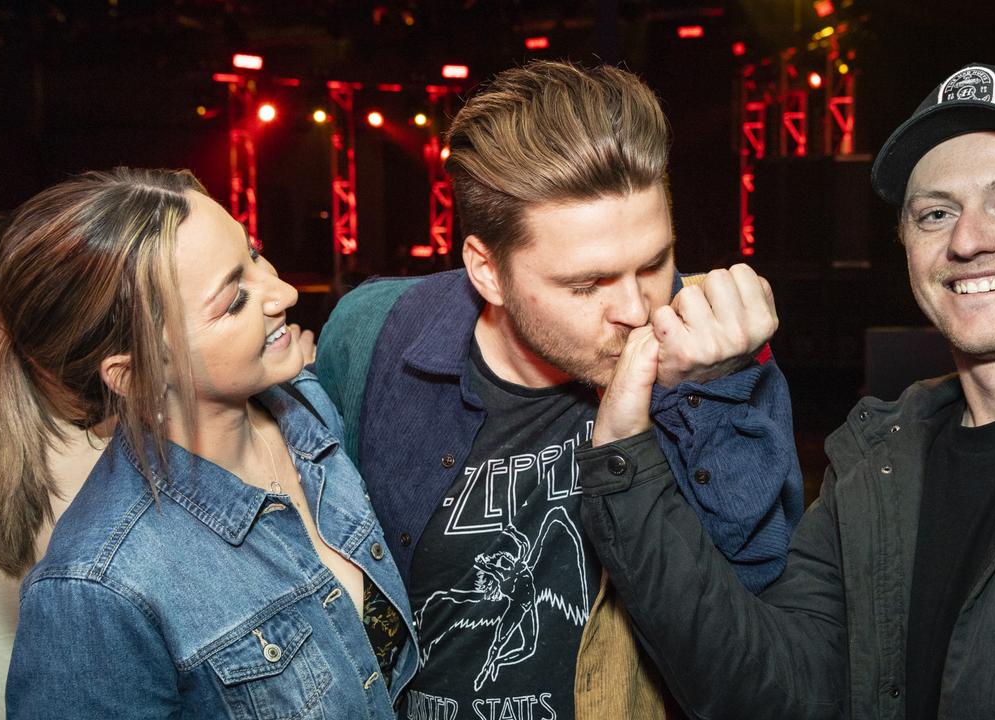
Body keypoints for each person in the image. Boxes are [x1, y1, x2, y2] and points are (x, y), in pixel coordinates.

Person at [578, 63, 995, 719]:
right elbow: (769, 693)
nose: (968, 241)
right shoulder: (876, 463)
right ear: (904, 239)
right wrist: (625, 462)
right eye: (935, 213)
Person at [315, 59, 802, 718]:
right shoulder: (372, 334)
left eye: (656, 263)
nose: (636, 307)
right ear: (487, 270)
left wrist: (701, 395)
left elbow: (756, 635)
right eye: (586, 284)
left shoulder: (714, 347)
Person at [0, 168, 418, 717]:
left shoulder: (307, 408)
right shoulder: (93, 589)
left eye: (254, 254)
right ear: (134, 373)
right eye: (234, 300)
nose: (284, 292)